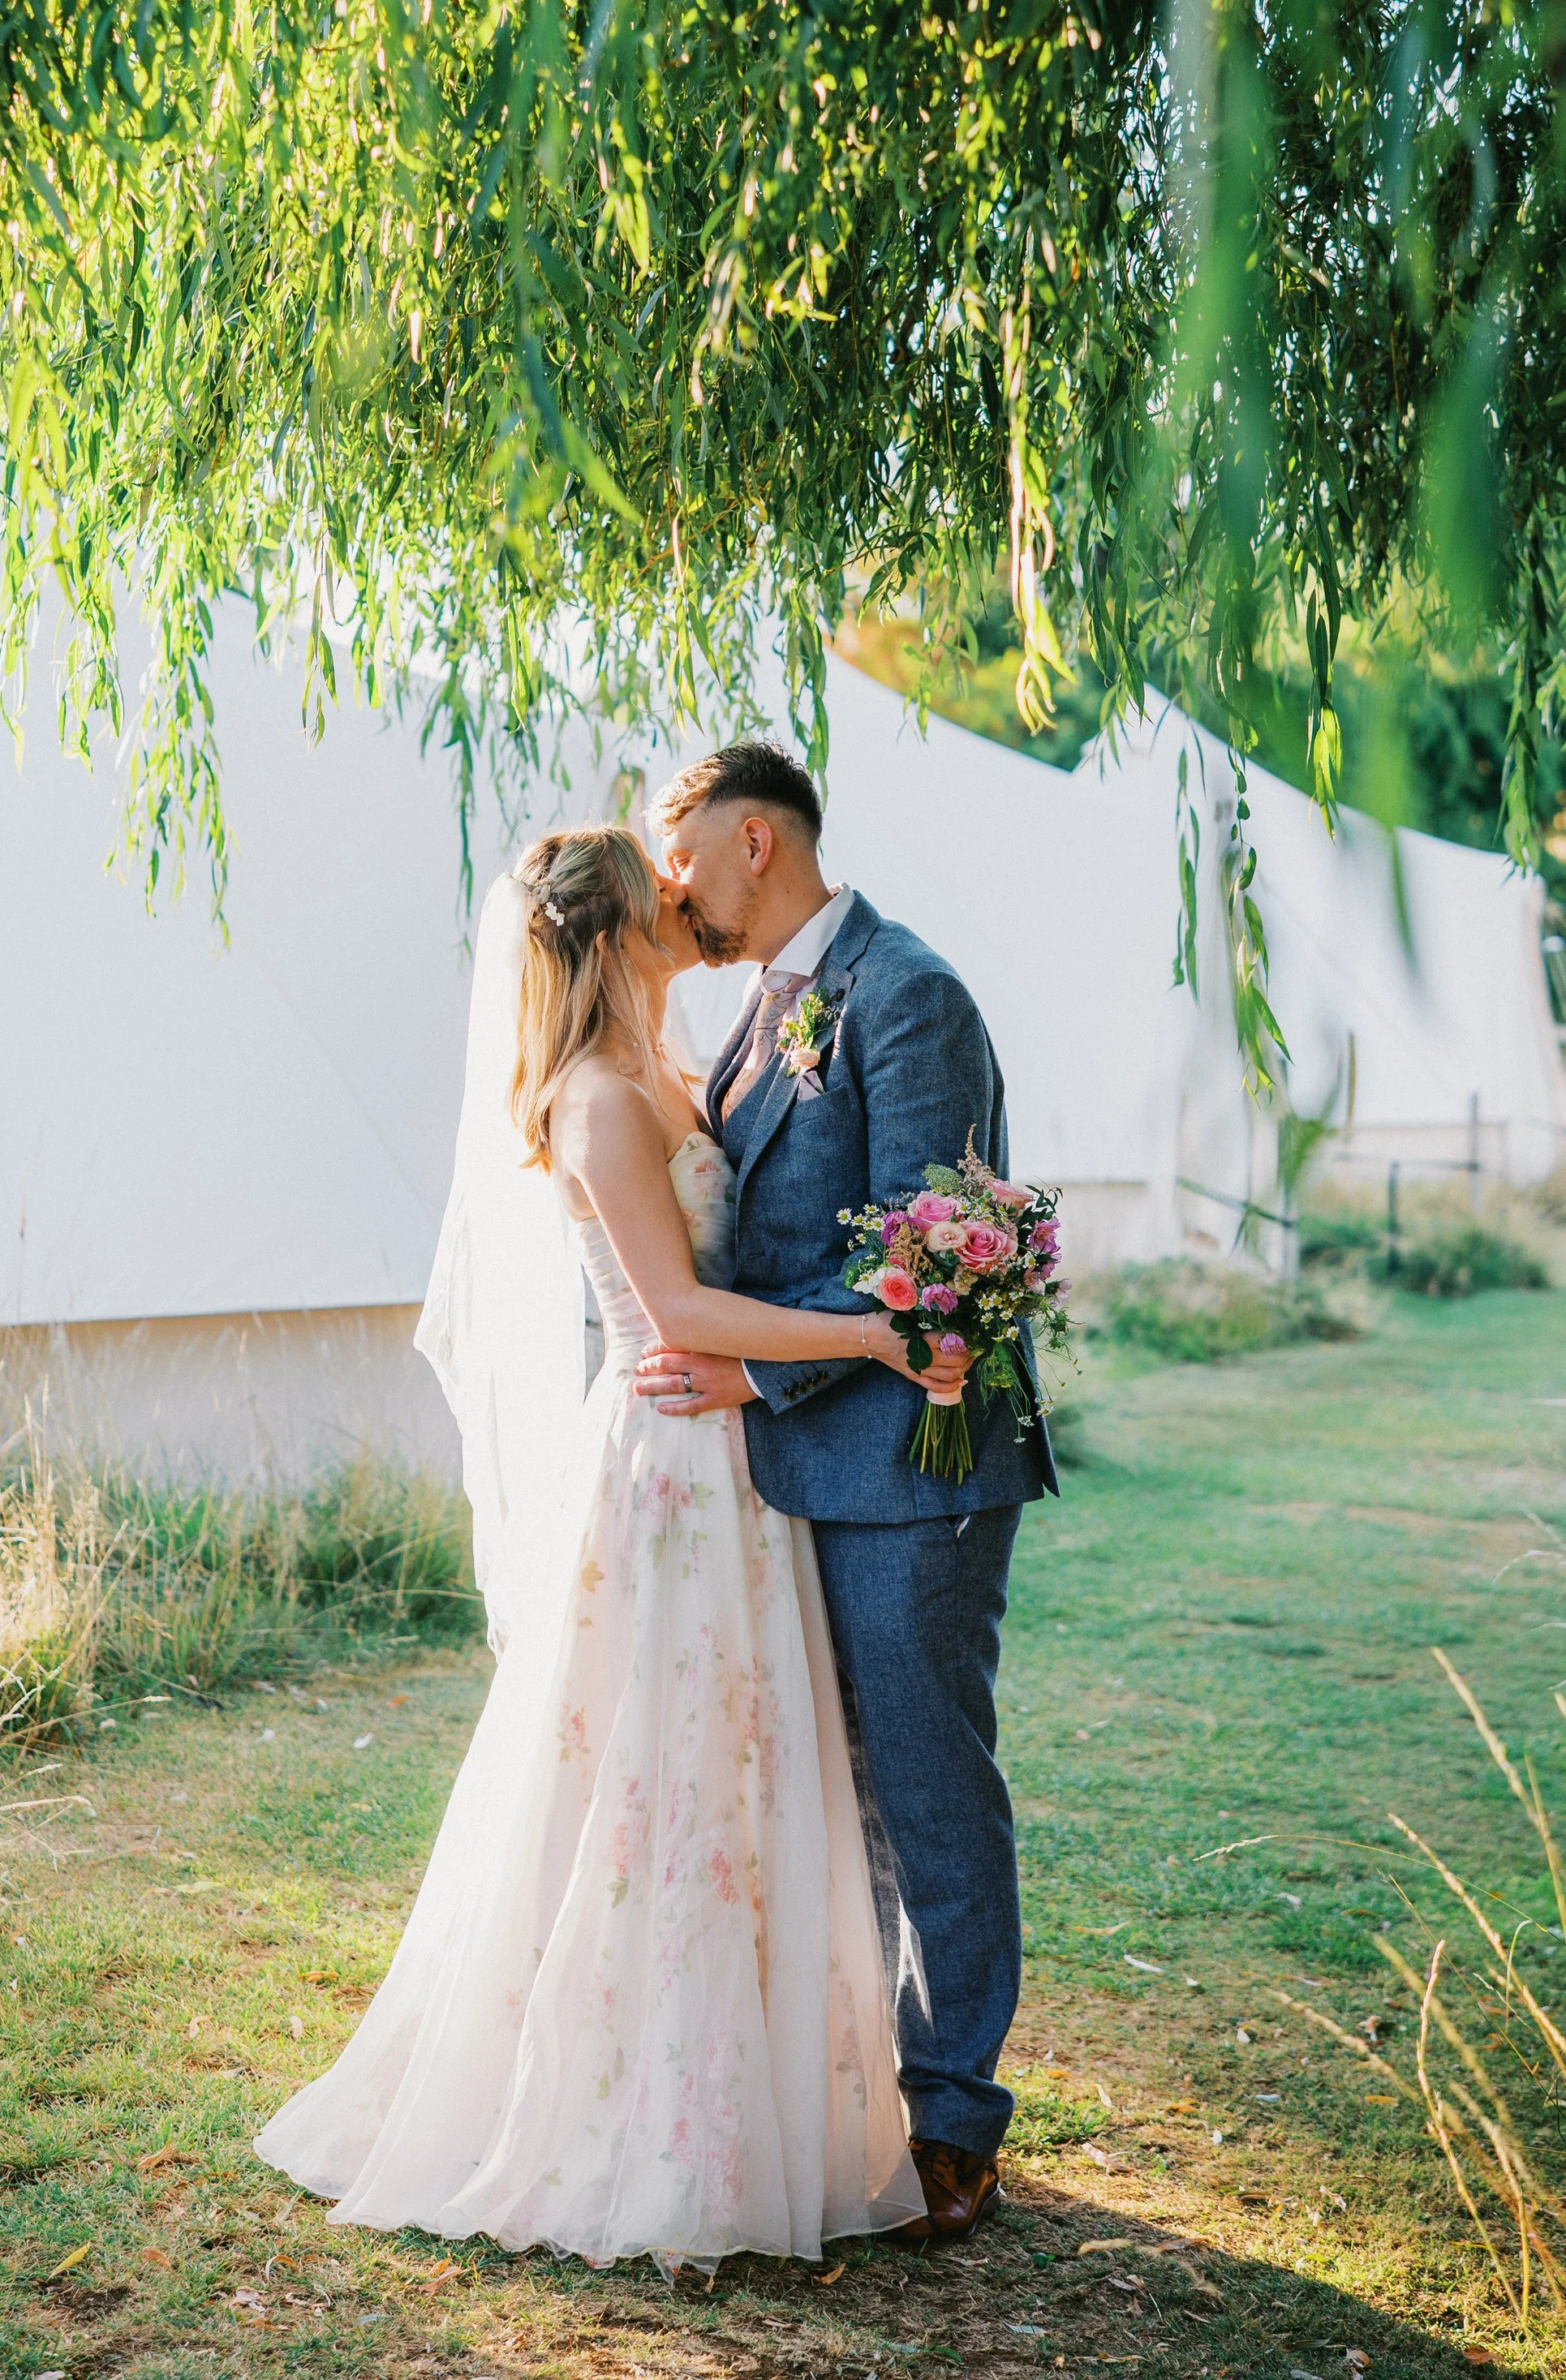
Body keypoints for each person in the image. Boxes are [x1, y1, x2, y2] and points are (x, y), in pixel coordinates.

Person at [255, 823, 966, 2270]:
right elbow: (682, 1315)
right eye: (660, 886)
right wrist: (878, 1338)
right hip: (665, 1471)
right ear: (609, 926)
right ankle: (644, 2120)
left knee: (739, 1770)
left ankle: (754, 2105)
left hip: (739, 1470)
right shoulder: (591, 1100)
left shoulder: (673, 1061)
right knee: (661, 1784)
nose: (684, 895)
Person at [635, 741, 1057, 2245]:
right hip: (804, 1475)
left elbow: (925, 1253)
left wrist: (757, 1373)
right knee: (836, 1790)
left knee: (928, 1787)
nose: (667, 880)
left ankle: (954, 2115)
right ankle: (867, 2092)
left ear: (756, 837)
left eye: (676, 848)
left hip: (911, 1468)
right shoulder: (759, 1014)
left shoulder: (906, 991)